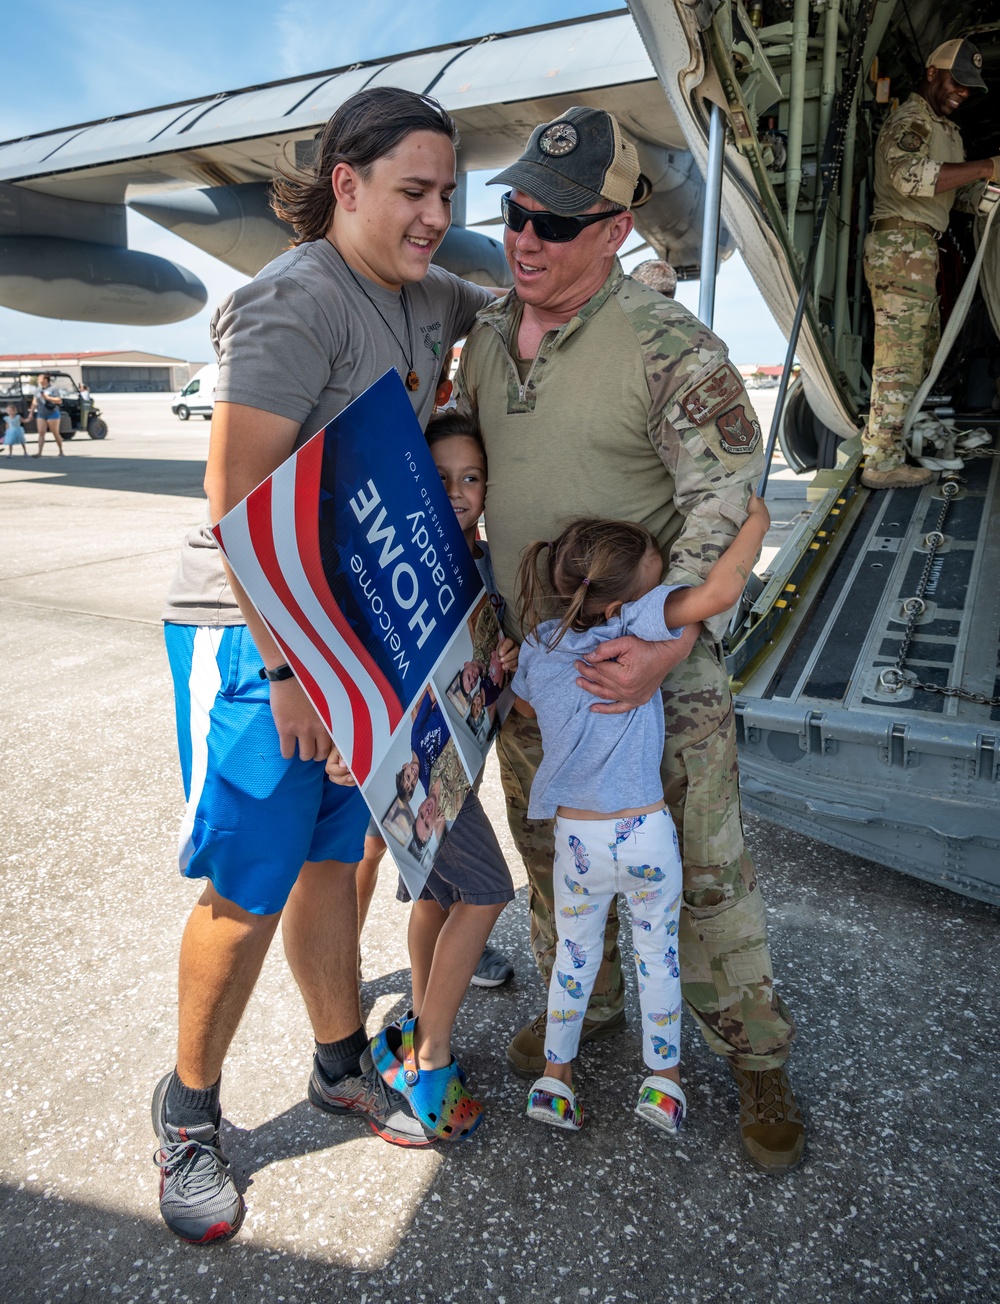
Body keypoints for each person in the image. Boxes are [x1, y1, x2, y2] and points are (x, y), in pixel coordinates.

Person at [154, 86, 498, 1244]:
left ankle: (338, 1061)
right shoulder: (297, 302)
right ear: (344, 185)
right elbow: (234, 497)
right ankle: (189, 1112)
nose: (434, 215)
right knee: (246, 888)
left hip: (351, 639)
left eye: (447, 193)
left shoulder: (425, 287)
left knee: (333, 867)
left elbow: (510, 305)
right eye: (412, 191)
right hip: (258, 636)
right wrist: (291, 674)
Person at [455, 104, 804, 1173]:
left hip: (656, 675)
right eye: (514, 212)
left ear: (613, 229)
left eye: (553, 224)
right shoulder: (480, 339)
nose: (524, 238)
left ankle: (753, 1056)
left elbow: (725, 501)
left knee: (701, 871)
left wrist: (662, 643)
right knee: (554, 855)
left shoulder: (671, 347)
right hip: (536, 673)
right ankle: (592, 1005)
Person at [514, 499, 770, 1133]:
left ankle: (556, 1081)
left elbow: (520, 711)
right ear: (616, 601)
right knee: (658, 955)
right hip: (646, 831)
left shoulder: (542, 644)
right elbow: (717, 592)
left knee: (574, 956)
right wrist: (757, 523)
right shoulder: (639, 623)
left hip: (578, 840)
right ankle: (663, 1084)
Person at [352, 407, 517, 989]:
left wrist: (507, 663)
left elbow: (496, 649)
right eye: (438, 477)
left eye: (470, 477)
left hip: (456, 751)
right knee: (373, 856)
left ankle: (432, 998)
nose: (454, 491)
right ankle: (341, 977)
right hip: (394, 749)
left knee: (432, 889)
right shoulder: (395, 557)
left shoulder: (497, 564)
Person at [862, 38, 999, 490]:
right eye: (956, 81)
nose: (961, 93)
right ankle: (880, 461)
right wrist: (984, 168)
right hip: (899, 242)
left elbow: (953, 193)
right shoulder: (912, 119)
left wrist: (986, 194)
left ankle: (909, 439)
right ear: (931, 73)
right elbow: (909, 175)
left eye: (968, 87)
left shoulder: (949, 131)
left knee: (921, 355)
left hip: (921, 246)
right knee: (898, 359)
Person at [29, 374, 65, 458]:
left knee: (55, 433)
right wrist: (31, 412)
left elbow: (59, 400)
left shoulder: (53, 389)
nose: (38, 379)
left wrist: (47, 397)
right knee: (41, 432)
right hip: (41, 413)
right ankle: (39, 452)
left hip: (52, 413)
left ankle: (61, 450)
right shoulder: (38, 390)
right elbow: (34, 402)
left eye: (40, 378)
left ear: (46, 379)